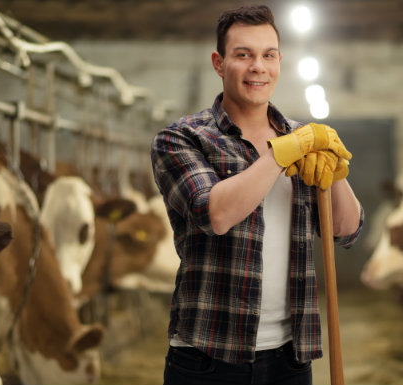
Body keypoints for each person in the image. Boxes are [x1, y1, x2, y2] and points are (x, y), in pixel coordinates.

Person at [150, 5, 364, 385]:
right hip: (207, 358)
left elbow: (346, 231)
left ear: (280, 61)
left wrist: (337, 174)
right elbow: (214, 213)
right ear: (219, 63)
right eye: (243, 55)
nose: (257, 67)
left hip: (290, 357)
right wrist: (281, 153)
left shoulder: (304, 138)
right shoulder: (182, 138)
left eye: (268, 55)